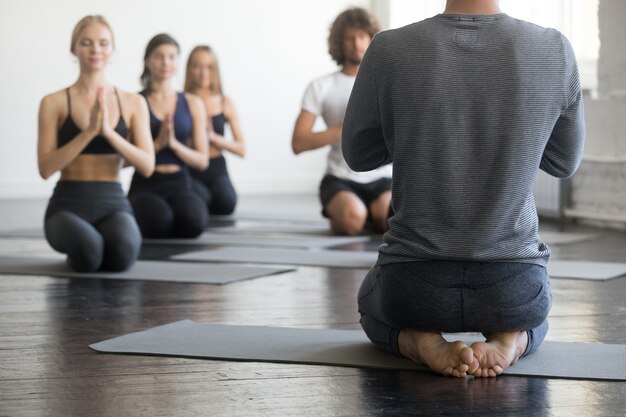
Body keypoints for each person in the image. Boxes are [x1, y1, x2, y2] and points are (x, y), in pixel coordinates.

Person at [342, 0, 585, 377]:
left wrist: (418, 127)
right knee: (538, 314)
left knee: (369, 304)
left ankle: (416, 340)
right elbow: (563, 163)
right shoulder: (554, 48)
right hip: (514, 287)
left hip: (413, 286)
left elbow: (358, 155)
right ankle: (515, 339)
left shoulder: (388, 47)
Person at [38, 15, 155, 272]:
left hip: (113, 201)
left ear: (112, 50)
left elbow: (147, 165)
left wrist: (108, 133)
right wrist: (89, 132)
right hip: (67, 204)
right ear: (74, 49)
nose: (95, 50)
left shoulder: (133, 103)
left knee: (122, 256)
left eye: (103, 43)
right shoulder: (53, 102)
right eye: (86, 43)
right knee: (90, 253)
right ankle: (85, 248)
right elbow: (45, 168)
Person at [292, 8, 392, 236]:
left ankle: (371, 213)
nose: (357, 43)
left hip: (382, 177)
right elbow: (299, 143)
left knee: (388, 220)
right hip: (340, 178)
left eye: (362, 36)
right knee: (352, 221)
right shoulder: (320, 86)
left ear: (371, 38)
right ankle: (350, 213)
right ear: (340, 42)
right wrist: (346, 129)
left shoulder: (385, 83)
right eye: (350, 37)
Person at [128, 34, 209, 238]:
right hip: (145, 185)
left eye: (172, 57)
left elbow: (202, 161)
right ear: (147, 61)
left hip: (180, 183)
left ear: (178, 61)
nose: (166, 62)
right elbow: (122, 160)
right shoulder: (134, 102)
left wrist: (173, 144)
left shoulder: (193, 103)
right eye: (159, 56)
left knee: (194, 223)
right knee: (158, 222)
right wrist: (156, 145)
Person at [184, 46, 244, 215]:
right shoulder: (182, 100)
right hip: (191, 168)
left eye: (209, 67)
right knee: (202, 201)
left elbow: (241, 148)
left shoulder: (225, 102)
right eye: (198, 67)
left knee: (227, 203)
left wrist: (213, 138)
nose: (204, 73)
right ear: (190, 69)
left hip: (217, 167)